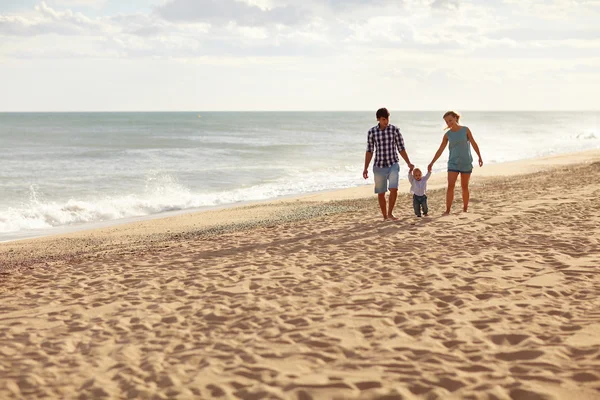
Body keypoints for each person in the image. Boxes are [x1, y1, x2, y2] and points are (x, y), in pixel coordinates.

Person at [363, 108, 414, 221]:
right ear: (378, 119)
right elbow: (369, 151)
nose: (386, 122)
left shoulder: (394, 130)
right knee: (381, 193)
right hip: (379, 166)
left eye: (387, 119)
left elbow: (401, 148)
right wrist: (365, 168)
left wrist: (409, 163)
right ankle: (385, 216)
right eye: (383, 119)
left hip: (393, 164)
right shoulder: (372, 132)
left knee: (394, 189)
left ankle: (390, 213)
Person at [428, 111, 483, 215]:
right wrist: (432, 162)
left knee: (464, 186)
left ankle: (465, 209)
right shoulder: (447, 135)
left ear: (455, 118)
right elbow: (440, 149)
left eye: (450, 120)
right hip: (453, 163)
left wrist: (479, 156)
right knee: (450, 186)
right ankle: (447, 210)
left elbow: (474, 143)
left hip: (466, 162)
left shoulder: (465, 130)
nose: (449, 123)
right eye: (447, 122)